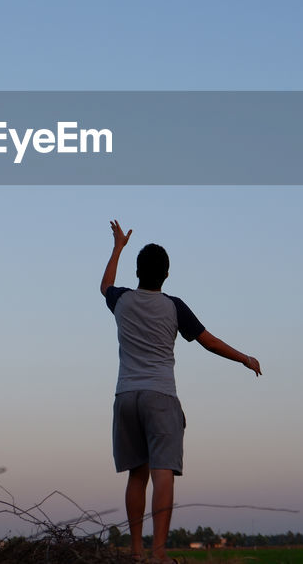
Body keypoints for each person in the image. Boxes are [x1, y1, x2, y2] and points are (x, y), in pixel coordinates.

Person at [100, 219, 261, 561]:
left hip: (126, 396)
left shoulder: (122, 301)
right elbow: (210, 342)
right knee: (163, 474)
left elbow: (105, 285)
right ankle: (159, 554)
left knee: (136, 475)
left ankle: (135, 551)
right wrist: (244, 358)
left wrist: (117, 248)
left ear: (138, 272)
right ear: (167, 275)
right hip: (160, 397)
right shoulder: (174, 306)